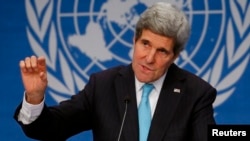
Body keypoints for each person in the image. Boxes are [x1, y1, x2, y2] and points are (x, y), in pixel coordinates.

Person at [14, 2, 217, 141]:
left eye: (162, 51)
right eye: (145, 44)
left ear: (174, 56)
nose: (149, 58)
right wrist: (34, 97)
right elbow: (50, 130)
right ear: (134, 41)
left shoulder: (195, 93)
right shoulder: (103, 85)